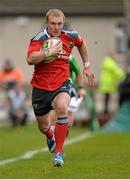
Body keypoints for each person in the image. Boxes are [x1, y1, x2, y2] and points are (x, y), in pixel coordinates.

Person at [26, 8, 95, 167]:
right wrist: (48, 51)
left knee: (63, 108)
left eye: (59, 23)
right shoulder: (39, 39)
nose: (56, 27)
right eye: (53, 23)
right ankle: (50, 134)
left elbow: (82, 44)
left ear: (63, 23)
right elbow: (30, 59)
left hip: (61, 83)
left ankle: (58, 153)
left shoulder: (70, 36)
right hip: (40, 87)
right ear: (46, 23)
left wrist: (87, 66)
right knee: (43, 126)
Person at [50, 54, 86, 132]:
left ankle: (64, 131)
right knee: (54, 110)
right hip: (53, 86)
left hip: (67, 86)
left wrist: (81, 88)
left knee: (69, 111)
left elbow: (78, 72)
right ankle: (53, 135)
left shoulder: (69, 56)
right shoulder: (49, 54)